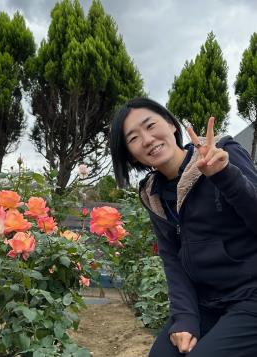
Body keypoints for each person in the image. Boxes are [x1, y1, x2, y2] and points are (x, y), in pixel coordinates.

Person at [109, 97, 257, 357]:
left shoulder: (222, 152)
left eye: (150, 125)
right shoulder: (152, 194)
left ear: (170, 125)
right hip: (207, 301)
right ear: (132, 155)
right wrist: (185, 318)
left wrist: (224, 175)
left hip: (251, 294)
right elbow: (172, 259)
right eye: (133, 138)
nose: (147, 139)